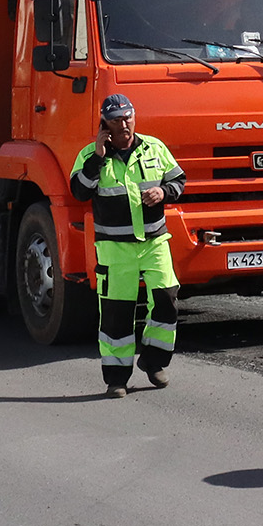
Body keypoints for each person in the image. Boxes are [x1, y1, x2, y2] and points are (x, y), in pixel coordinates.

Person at [69, 94, 186, 397]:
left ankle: (153, 361)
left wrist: (163, 192)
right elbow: (79, 192)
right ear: (104, 124)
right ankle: (117, 379)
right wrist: (97, 157)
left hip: (154, 242)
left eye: (128, 117)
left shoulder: (154, 148)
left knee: (167, 302)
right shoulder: (89, 155)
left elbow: (178, 180)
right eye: (117, 120)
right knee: (116, 314)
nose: (124, 124)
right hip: (115, 250)